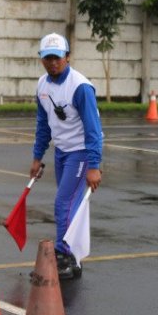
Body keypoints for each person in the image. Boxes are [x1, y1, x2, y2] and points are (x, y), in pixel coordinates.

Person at [29, 32, 103, 280]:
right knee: (69, 206)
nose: (52, 62)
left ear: (67, 57)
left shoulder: (80, 88)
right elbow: (43, 124)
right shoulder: (42, 85)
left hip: (80, 153)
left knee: (63, 203)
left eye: (57, 58)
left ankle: (63, 256)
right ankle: (73, 259)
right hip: (61, 152)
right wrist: (37, 156)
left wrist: (94, 165)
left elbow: (93, 129)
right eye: (47, 58)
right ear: (41, 59)